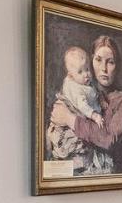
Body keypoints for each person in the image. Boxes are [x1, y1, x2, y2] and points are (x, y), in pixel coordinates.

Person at [50, 34, 122, 174]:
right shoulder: (78, 89)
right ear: (91, 61)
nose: (103, 68)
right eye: (98, 60)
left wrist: (69, 119)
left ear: (117, 65)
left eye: (110, 62)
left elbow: (108, 139)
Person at [45, 47, 113, 176]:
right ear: (71, 75)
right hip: (75, 117)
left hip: (79, 119)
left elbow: (93, 92)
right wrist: (94, 115)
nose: (86, 74)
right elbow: (83, 106)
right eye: (80, 72)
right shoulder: (75, 88)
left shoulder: (84, 81)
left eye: (87, 69)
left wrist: (101, 100)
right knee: (73, 145)